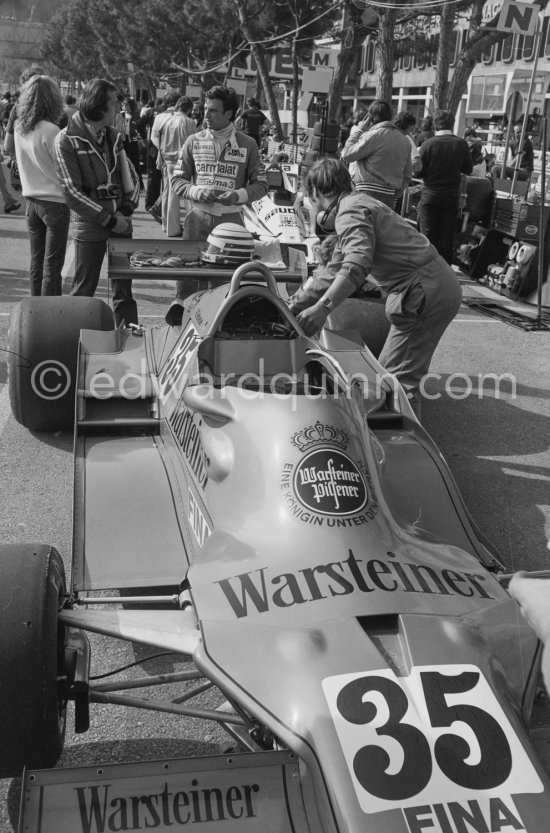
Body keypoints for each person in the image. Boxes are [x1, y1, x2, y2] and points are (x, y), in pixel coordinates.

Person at [287, 157, 462, 414]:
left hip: (425, 290)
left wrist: (323, 308)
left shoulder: (349, 211)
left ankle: (402, 450)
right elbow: (332, 271)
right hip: (432, 287)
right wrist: (291, 304)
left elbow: (356, 266)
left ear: (315, 193)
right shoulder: (359, 203)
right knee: (389, 382)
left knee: (392, 386)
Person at [169, 85, 267, 307]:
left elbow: (261, 184)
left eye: (213, 110)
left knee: (223, 289)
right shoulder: (193, 141)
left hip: (232, 223)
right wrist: (195, 191)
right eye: (205, 108)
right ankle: (180, 326)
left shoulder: (248, 144)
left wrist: (239, 195)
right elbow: (177, 180)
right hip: (196, 219)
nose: (205, 115)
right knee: (187, 283)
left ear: (229, 114)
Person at [55, 77, 140, 326]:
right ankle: (73, 342)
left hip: (122, 224)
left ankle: (128, 346)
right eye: (113, 103)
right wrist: (110, 220)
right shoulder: (66, 139)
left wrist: (125, 211)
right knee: (83, 292)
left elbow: (132, 177)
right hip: (91, 227)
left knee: (124, 293)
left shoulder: (115, 136)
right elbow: (71, 192)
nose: (118, 108)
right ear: (99, 106)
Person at [14, 75, 70, 296]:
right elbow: (62, 169)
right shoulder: (51, 130)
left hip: (31, 202)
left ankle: (35, 310)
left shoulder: (20, 128)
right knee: (52, 266)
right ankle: (50, 316)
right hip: (54, 202)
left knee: (36, 264)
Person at [417, 110, 473, 264]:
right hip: (451, 196)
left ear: (435, 125)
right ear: (452, 124)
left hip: (430, 194)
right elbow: (468, 169)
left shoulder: (427, 145)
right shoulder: (461, 144)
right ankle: (445, 271)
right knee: (447, 236)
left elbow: (419, 172)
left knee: (427, 236)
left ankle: (427, 269)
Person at [340, 99, 412, 209]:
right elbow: (407, 174)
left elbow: (346, 154)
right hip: (389, 196)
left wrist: (359, 130)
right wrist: (396, 194)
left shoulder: (372, 135)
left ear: (370, 118)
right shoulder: (405, 140)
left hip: (366, 193)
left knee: (363, 226)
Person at [152, 95, 196, 237]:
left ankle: (168, 226)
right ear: (188, 108)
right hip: (182, 161)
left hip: (167, 161)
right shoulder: (190, 122)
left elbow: (156, 139)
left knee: (168, 193)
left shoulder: (165, 120)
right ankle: (181, 227)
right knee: (183, 195)